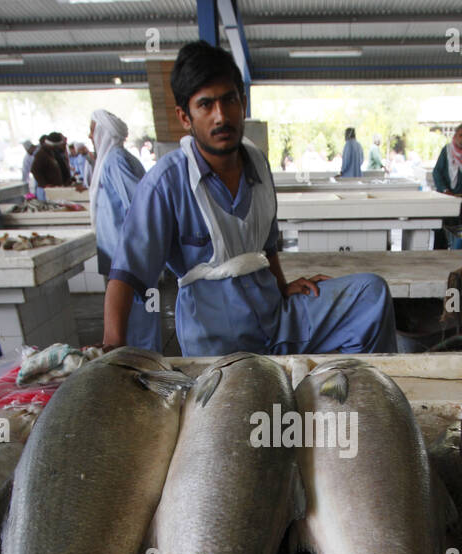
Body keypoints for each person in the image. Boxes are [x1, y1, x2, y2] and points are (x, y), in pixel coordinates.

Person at [102, 41, 395, 357]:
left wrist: (282, 287)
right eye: (205, 105)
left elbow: (267, 246)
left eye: (229, 100)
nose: (220, 116)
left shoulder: (257, 164)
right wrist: (111, 349)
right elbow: (126, 275)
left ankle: (364, 390)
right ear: (184, 117)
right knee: (250, 400)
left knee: (371, 293)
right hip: (216, 343)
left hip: (276, 319)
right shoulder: (166, 182)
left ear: (242, 103)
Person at [89, 110, 160, 352]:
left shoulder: (115, 160)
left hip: (131, 261)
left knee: (143, 313)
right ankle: (146, 357)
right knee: (145, 311)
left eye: (92, 130)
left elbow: (138, 205)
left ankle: (145, 361)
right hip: (130, 259)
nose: (90, 135)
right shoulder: (122, 158)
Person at [31, 132, 76, 200]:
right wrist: (44, 184)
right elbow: (34, 169)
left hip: (55, 190)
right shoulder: (41, 154)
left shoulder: (53, 152)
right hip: (46, 192)